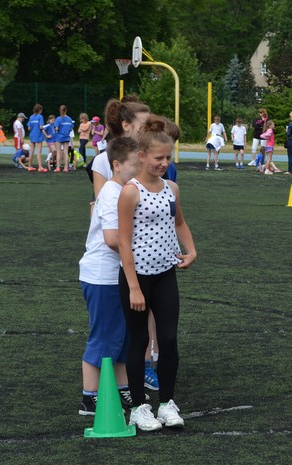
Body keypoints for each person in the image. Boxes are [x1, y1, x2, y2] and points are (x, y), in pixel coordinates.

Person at [118, 115, 197, 431]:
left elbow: (180, 223)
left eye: (168, 158)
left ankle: (167, 403)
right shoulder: (130, 192)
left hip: (165, 274)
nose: (164, 163)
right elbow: (123, 242)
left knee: (168, 338)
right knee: (138, 341)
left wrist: (191, 250)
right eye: (158, 158)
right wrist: (134, 287)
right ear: (141, 156)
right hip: (137, 277)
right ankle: (139, 407)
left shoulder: (172, 188)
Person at [77, 136, 141, 416]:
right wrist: (146, 248)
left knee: (122, 337)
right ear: (116, 165)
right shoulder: (112, 193)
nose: (139, 170)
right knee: (104, 336)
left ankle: (121, 388)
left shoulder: (123, 190)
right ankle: (90, 396)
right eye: (134, 165)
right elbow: (113, 238)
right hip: (103, 275)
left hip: (117, 274)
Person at [53, 105, 74, 173]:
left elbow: (56, 128)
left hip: (59, 137)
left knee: (58, 152)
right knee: (66, 152)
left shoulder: (58, 119)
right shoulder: (69, 119)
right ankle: (65, 168)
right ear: (66, 110)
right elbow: (71, 128)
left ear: (60, 110)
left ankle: (58, 167)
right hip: (66, 137)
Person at [27, 104, 46, 172]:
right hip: (38, 135)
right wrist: (44, 127)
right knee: (39, 152)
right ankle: (40, 167)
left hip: (32, 135)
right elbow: (41, 127)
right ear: (39, 110)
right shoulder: (40, 116)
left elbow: (29, 128)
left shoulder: (31, 117)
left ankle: (29, 166)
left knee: (31, 151)